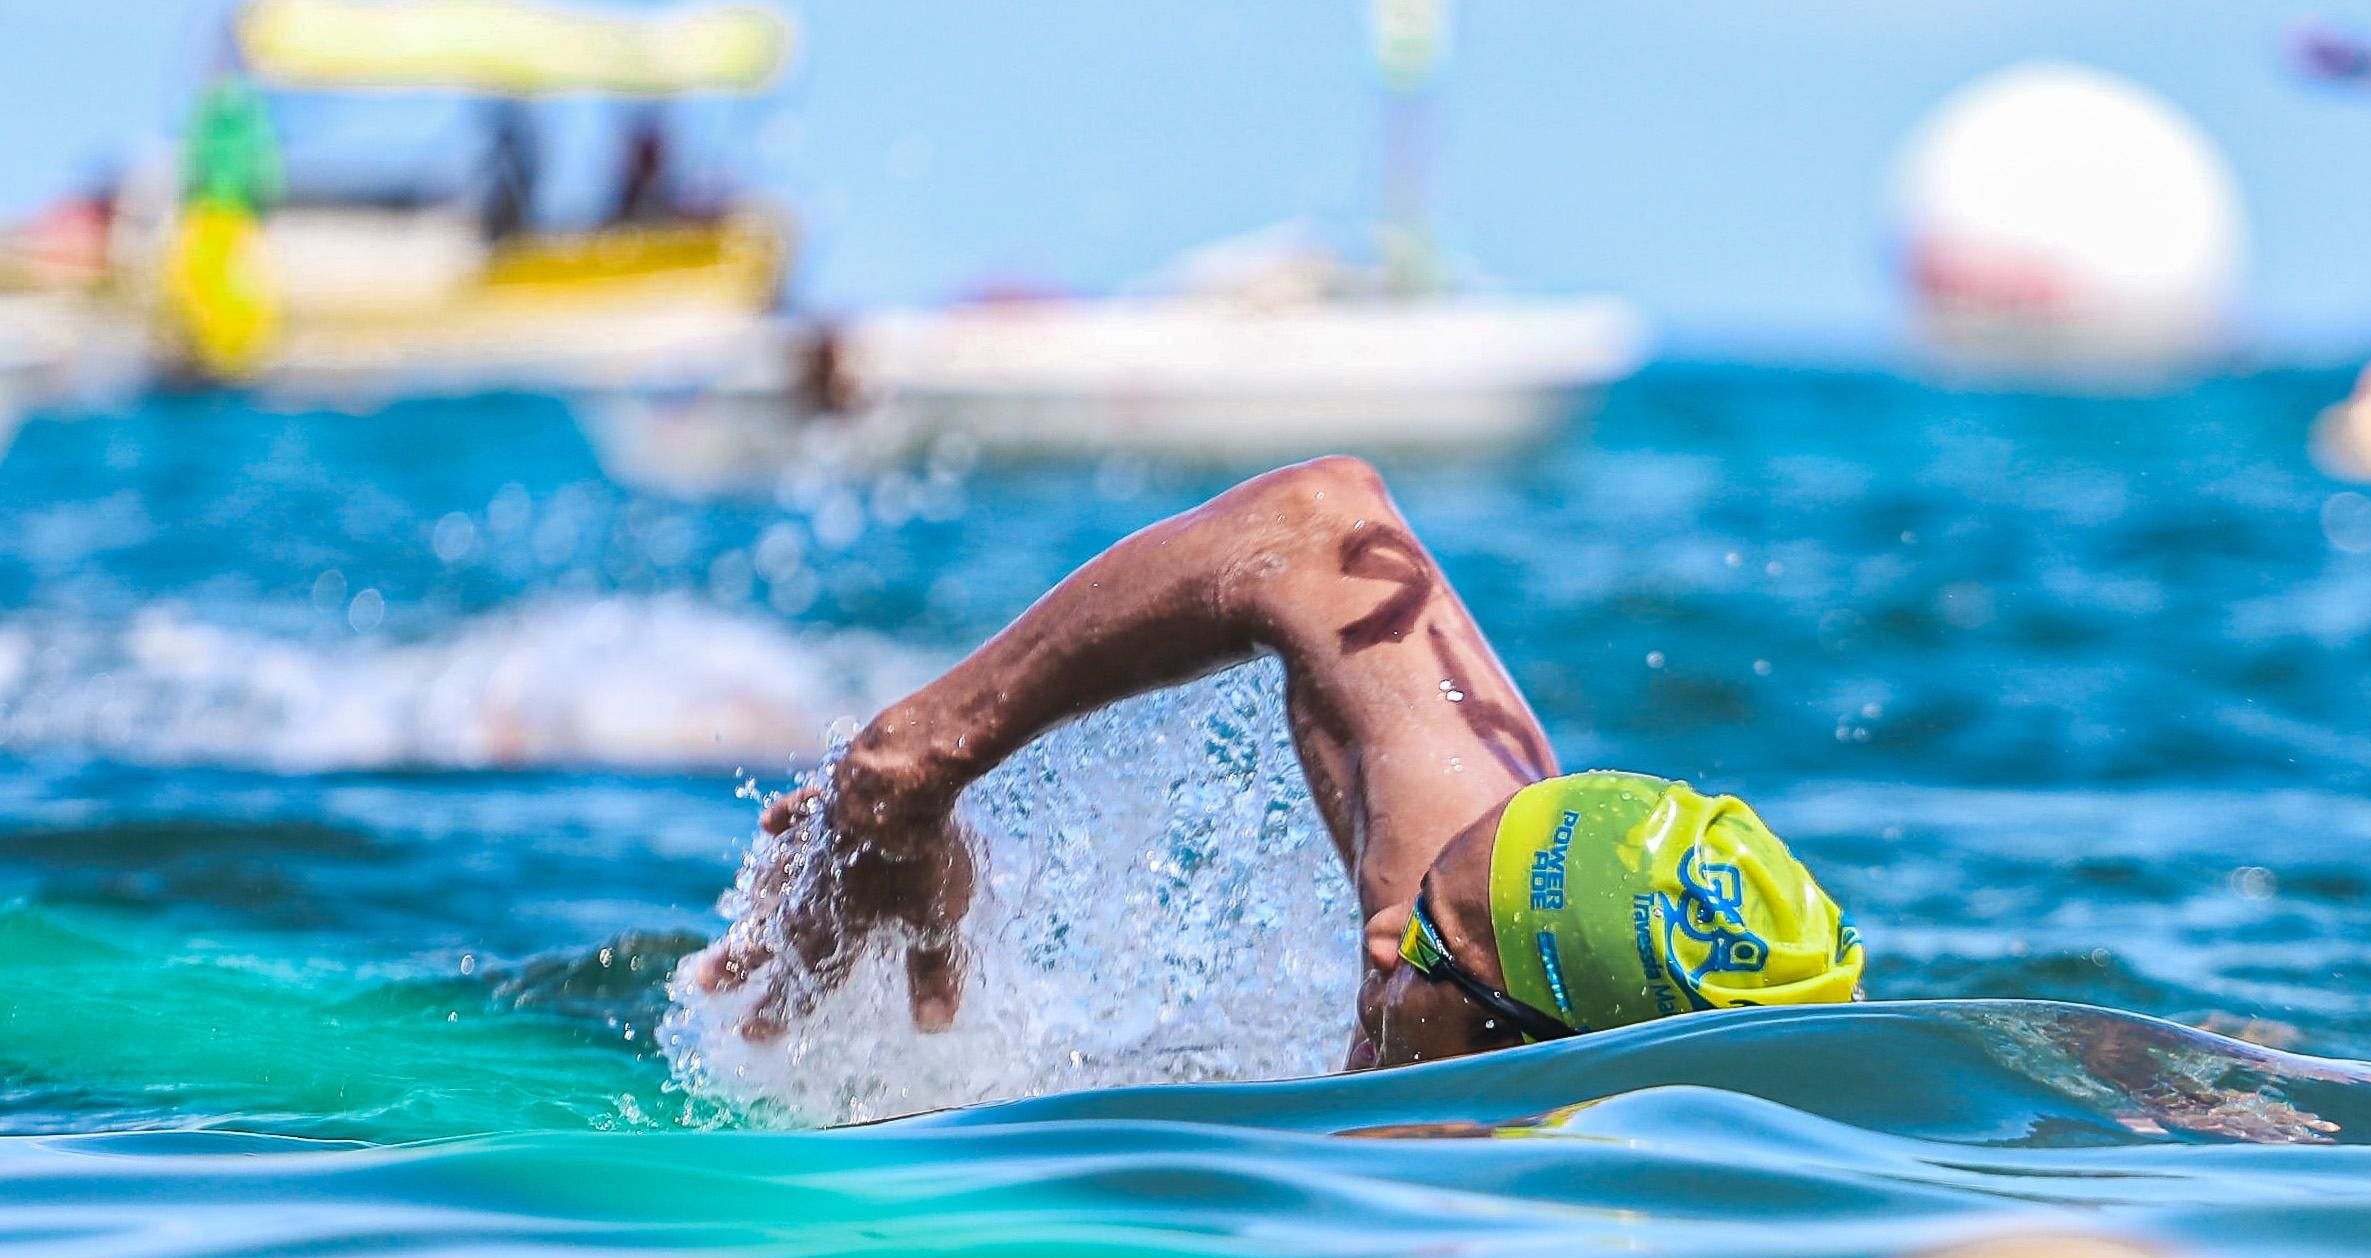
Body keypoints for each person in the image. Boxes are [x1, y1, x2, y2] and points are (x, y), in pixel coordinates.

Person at [688, 457, 1864, 1070]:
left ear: (1544, 1059)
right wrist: (909, 766)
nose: (1384, 937)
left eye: (1435, 950)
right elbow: (1318, 521)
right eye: (1420, 891)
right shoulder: (1469, 874)